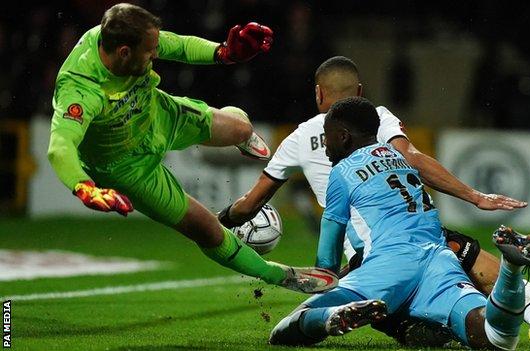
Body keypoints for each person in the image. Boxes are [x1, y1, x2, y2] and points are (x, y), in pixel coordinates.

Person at [218, 56, 530, 349]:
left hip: (372, 256)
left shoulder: (311, 147)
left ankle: (347, 317)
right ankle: (526, 298)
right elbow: (415, 160)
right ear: (361, 92)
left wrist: (215, 224)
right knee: (495, 330)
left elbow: (262, 215)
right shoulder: (384, 129)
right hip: (432, 247)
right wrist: (474, 197)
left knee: (291, 328)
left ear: (320, 97)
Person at [47, 3, 337, 295]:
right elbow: (60, 147)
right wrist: (84, 186)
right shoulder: (80, 88)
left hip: (159, 116)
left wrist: (224, 53)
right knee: (206, 228)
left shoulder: (126, 35)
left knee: (242, 129)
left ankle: (239, 132)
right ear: (124, 53)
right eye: (150, 51)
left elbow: (182, 47)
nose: (156, 54)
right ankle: (279, 275)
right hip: (125, 167)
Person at [268, 96, 530, 350]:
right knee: (496, 338)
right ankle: (513, 270)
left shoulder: (342, 172)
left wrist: (321, 284)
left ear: (343, 137)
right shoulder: (399, 157)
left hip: (387, 266)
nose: (326, 148)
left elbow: (327, 262)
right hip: (439, 260)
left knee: (287, 327)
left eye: (328, 138)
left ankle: (331, 316)